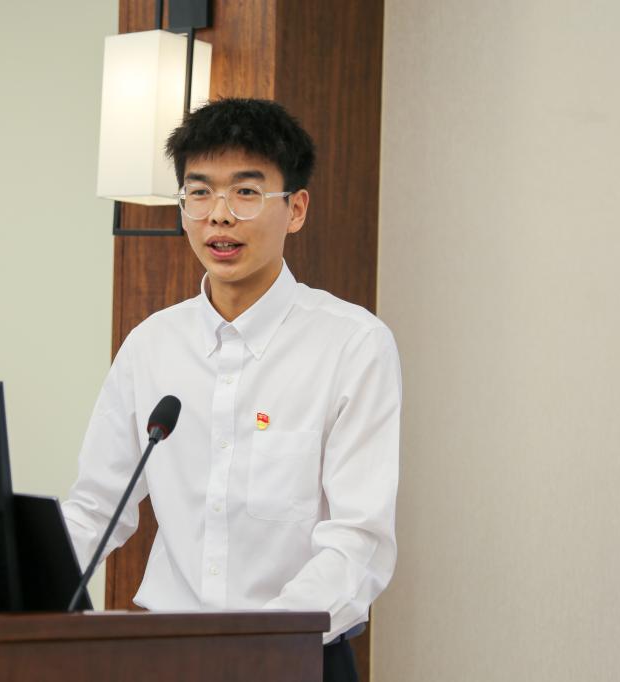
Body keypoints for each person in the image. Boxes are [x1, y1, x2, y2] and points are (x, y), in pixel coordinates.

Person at [63, 98, 401, 682]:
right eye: (199, 193)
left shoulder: (353, 345)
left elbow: (358, 541)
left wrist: (256, 647)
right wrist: (6, 593)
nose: (219, 216)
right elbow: (96, 506)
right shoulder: (151, 345)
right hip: (167, 656)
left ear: (296, 209)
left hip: (296, 659)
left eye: (246, 192)